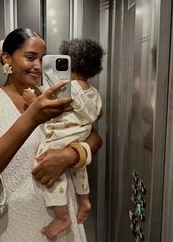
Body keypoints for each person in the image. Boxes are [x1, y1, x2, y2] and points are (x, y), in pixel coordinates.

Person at [0, 28, 103, 242]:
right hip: (20, 224)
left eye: (42, 59)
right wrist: (32, 118)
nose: (38, 67)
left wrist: (70, 155)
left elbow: (93, 136)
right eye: (30, 57)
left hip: (66, 216)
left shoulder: (51, 96)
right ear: (7, 58)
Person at [23, 38, 104, 239]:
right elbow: (99, 114)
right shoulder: (94, 93)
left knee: (54, 175)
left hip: (59, 140)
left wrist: (33, 100)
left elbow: (48, 105)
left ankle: (61, 217)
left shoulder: (68, 87)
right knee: (79, 170)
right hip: (78, 140)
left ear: (69, 64)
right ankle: (84, 200)